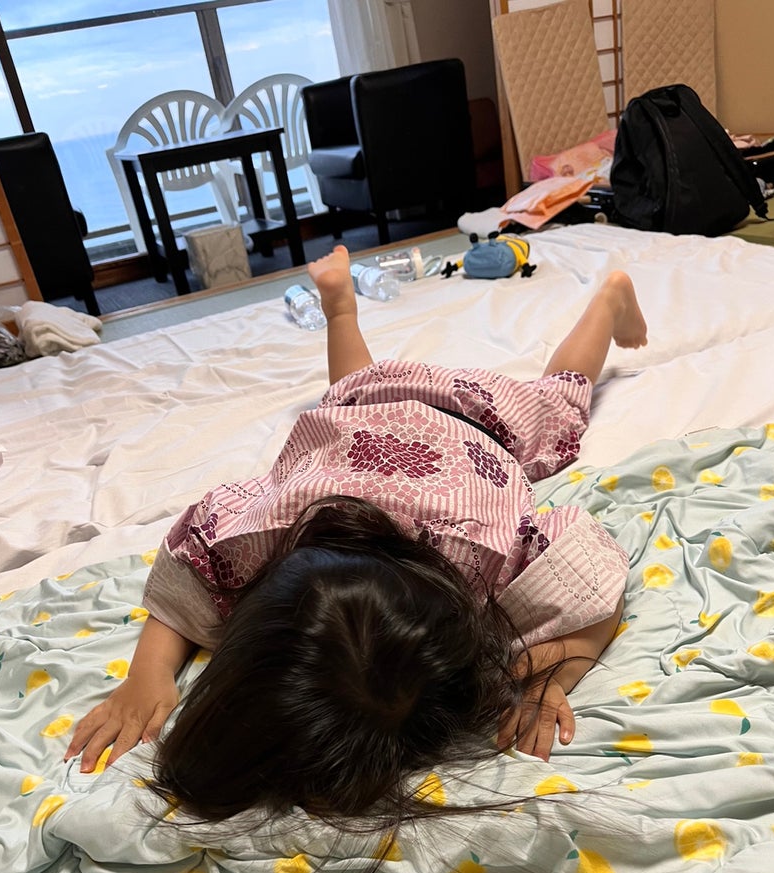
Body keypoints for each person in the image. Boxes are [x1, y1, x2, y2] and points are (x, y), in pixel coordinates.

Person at [65, 245, 647, 821]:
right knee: (364, 391)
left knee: (548, 401)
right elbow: (195, 556)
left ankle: (608, 299)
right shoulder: (265, 534)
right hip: (398, 412)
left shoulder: (482, 569)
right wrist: (149, 673)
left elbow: (592, 576)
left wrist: (554, 666)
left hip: (461, 418)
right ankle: (342, 306)